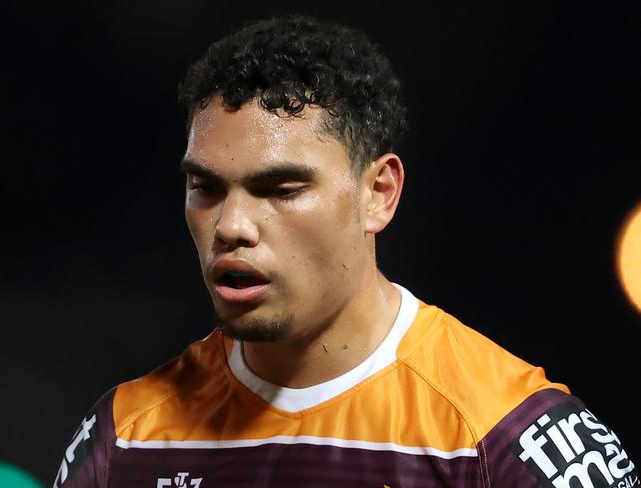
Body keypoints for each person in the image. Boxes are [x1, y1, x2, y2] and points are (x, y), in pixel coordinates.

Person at [54, 14, 637, 488]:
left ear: (378, 194)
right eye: (205, 188)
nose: (231, 225)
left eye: (280, 190)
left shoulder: (506, 438)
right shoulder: (124, 436)